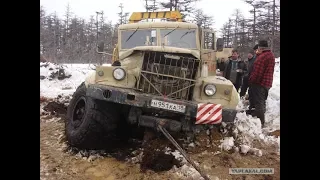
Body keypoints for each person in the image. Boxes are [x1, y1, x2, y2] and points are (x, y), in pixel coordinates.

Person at [249, 40, 275, 128]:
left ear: (260, 48)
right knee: (262, 101)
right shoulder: (271, 55)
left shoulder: (261, 57)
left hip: (260, 83)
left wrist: (252, 81)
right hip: (267, 83)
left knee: (259, 102)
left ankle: (260, 122)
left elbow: (258, 74)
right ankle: (259, 117)